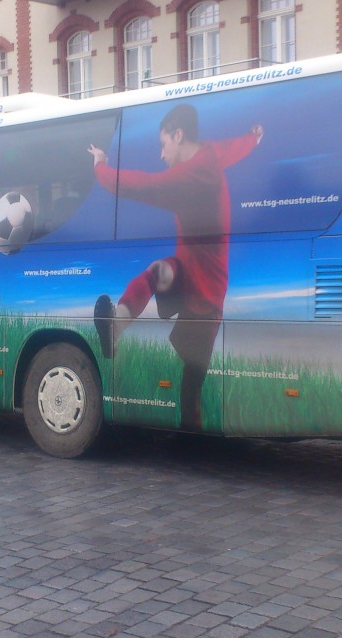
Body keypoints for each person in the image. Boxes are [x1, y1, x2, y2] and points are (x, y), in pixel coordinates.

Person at [88, 103, 262, 431]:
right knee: (161, 270)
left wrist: (100, 166)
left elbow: (137, 184)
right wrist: (253, 137)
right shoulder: (211, 153)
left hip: (207, 293)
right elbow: (234, 148)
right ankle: (116, 324)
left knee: (192, 382)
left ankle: (191, 435)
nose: (161, 154)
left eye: (164, 144)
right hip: (188, 271)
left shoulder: (189, 177)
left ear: (179, 135)